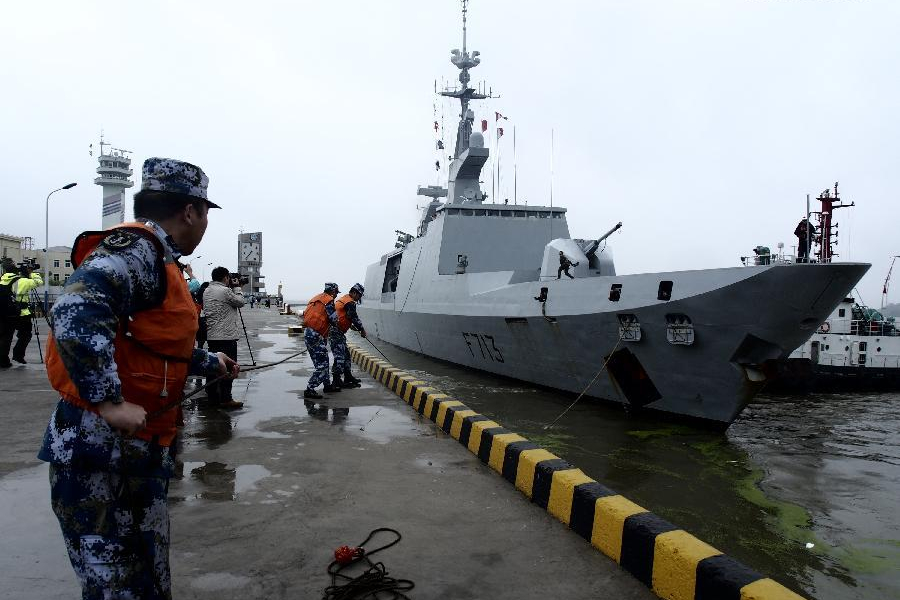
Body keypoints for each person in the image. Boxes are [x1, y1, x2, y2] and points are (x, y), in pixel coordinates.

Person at [38, 157, 239, 599]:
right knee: (115, 584)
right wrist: (109, 401)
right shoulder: (138, 250)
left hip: (133, 454)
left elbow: (151, 344)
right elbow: (76, 310)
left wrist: (210, 363)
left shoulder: (158, 258)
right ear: (190, 211)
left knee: (146, 577)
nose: (205, 224)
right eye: (205, 213)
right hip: (97, 453)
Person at [203, 267, 246, 409]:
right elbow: (240, 302)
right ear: (225, 278)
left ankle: (212, 396)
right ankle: (226, 398)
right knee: (229, 367)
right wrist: (238, 288)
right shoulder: (225, 291)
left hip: (213, 335)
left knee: (213, 365)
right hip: (227, 336)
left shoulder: (207, 290)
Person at [0, 260, 43, 366]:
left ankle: (3, 361)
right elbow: (38, 282)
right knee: (25, 335)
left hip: (4, 313)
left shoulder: (1, 280)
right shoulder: (22, 281)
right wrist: (31, 272)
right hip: (22, 313)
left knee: (5, 337)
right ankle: (18, 355)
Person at [304, 283, 341, 399]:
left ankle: (327, 386)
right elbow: (334, 319)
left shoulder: (316, 298)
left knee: (322, 362)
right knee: (323, 366)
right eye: (336, 293)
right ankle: (310, 388)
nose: (335, 296)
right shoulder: (329, 300)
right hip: (316, 335)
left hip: (309, 333)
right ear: (332, 292)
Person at [330, 283, 367, 388]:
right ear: (354, 292)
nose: (359, 298)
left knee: (346, 355)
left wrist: (350, 326)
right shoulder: (349, 302)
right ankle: (336, 381)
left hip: (338, 332)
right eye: (359, 295)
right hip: (335, 332)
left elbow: (344, 316)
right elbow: (354, 317)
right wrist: (362, 330)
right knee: (340, 357)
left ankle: (348, 377)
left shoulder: (344, 299)